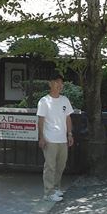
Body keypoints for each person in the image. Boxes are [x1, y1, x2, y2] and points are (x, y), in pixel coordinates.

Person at [37, 72, 74, 202]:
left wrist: (69, 134)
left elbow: (68, 118)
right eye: (57, 82)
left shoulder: (65, 100)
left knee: (60, 165)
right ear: (50, 84)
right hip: (50, 139)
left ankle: (56, 188)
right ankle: (48, 192)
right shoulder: (44, 101)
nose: (60, 85)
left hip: (62, 139)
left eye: (61, 83)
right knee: (50, 166)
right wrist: (41, 137)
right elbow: (41, 120)